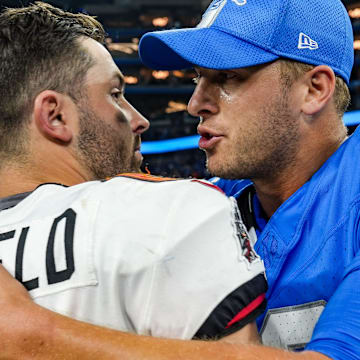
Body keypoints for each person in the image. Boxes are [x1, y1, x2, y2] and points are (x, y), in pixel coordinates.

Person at [0, 0, 356, 359]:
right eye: (198, 78)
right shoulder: (194, 209)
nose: (195, 103)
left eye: (227, 77)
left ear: (314, 89)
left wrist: (32, 332)